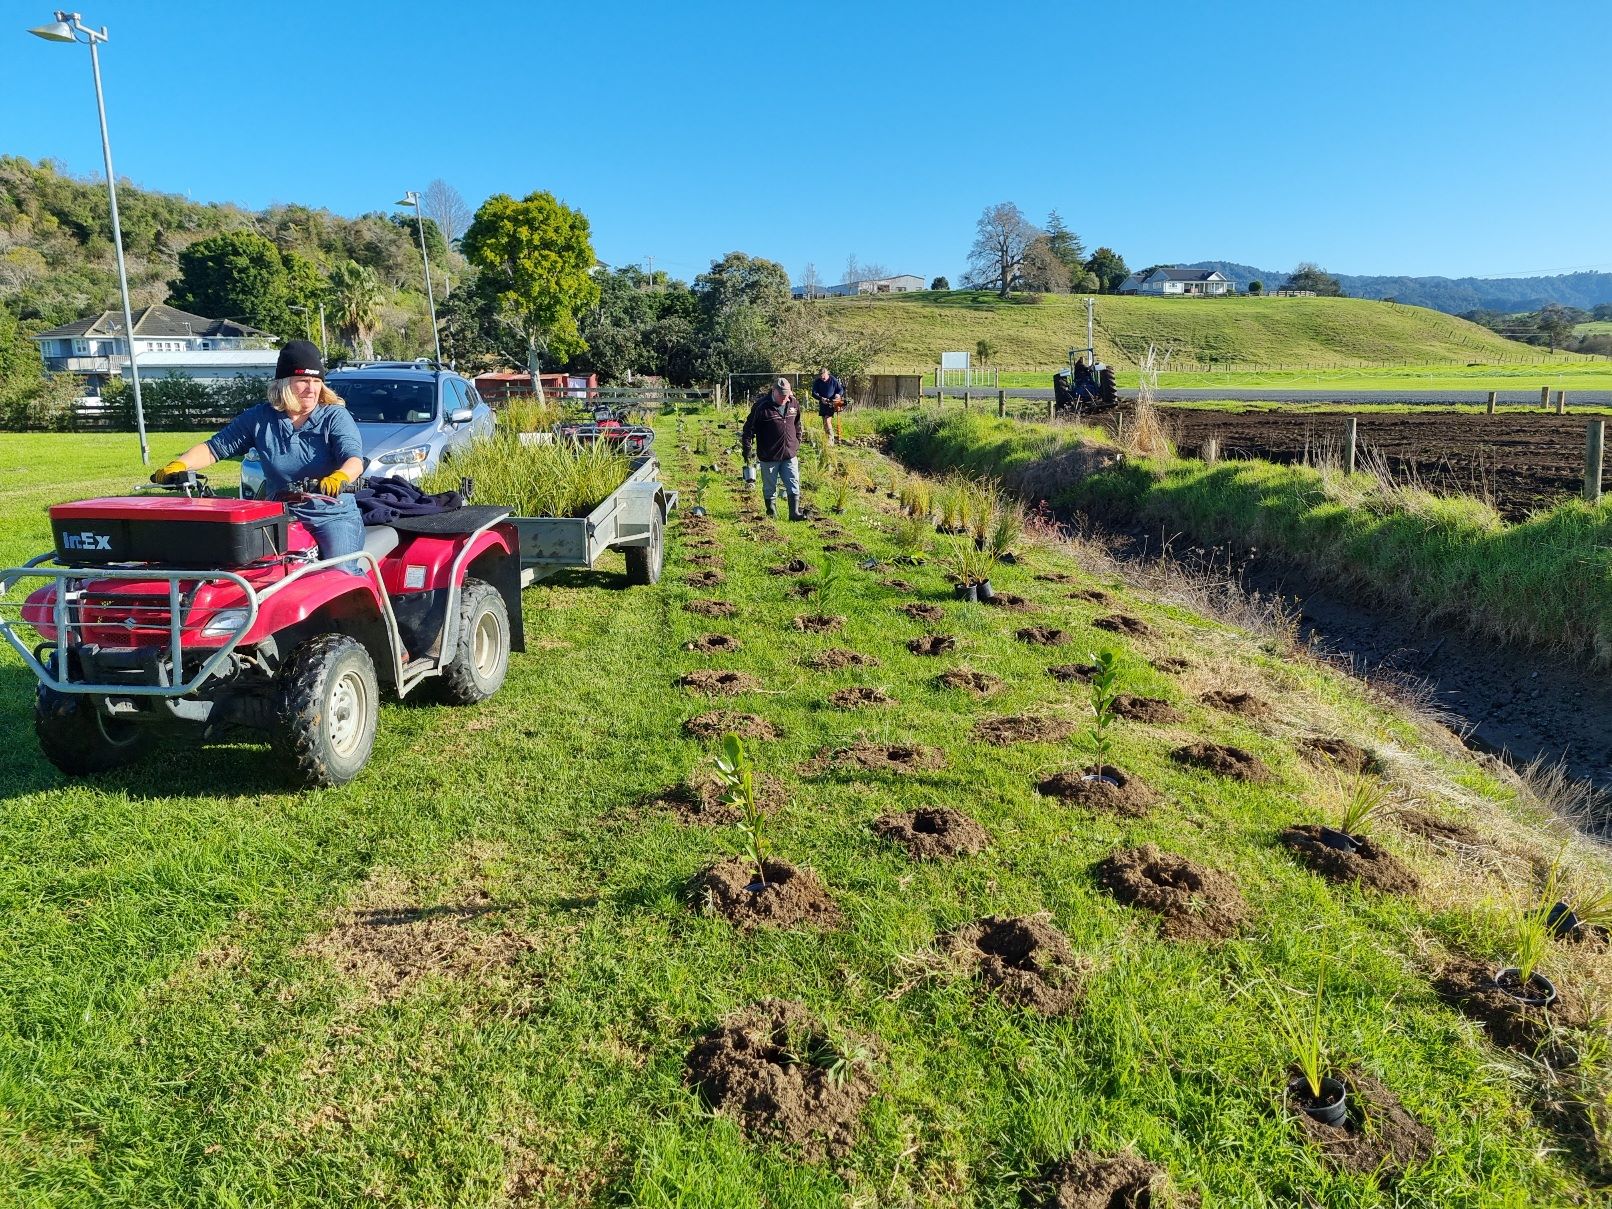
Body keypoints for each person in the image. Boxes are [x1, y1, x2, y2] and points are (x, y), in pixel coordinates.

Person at [152, 339, 367, 574]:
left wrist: (339, 477)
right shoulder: (260, 417)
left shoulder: (335, 416)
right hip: (280, 514)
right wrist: (179, 464)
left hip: (332, 516)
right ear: (284, 384)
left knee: (339, 572)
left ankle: (369, 607)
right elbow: (215, 448)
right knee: (253, 571)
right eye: (303, 381)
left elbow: (353, 459)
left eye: (317, 381)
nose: (311, 388)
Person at [741, 376, 805, 521]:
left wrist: (797, 442)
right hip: (769, 455)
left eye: (786, 394)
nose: (784, 398)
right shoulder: (761, 406)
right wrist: (747, 448)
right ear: (773, 391)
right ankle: (772, 513)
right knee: (770, 487)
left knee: (793, 482)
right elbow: (749, 429)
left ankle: (794, 513)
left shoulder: (793, 403)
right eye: (781, 394)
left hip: (789, 453)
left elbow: (797, 424)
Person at [810, 366, 844, 444]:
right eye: (821, 378)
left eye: (824, 377)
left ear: (827, 373)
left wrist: (838, 394)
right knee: (824, 422)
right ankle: (827, 438)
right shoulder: (817, 381)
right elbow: (813, 393)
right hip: (823, 403)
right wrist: (821, 398)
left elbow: (840, 389)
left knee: (827, 419)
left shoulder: (833, 380)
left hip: (832, 403)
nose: (823, 379)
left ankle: (830, 439)